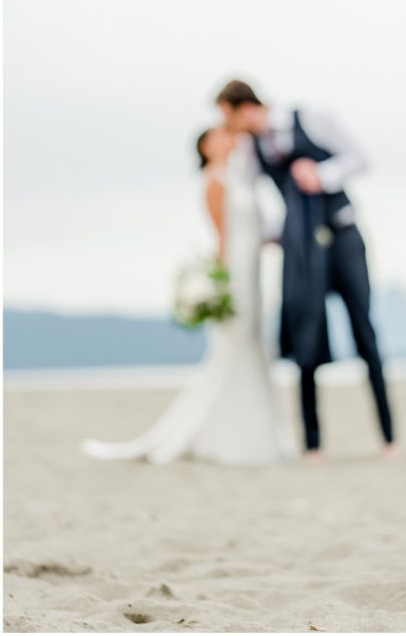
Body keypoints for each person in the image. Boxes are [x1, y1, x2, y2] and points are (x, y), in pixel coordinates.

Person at [81, 125, 294, 465]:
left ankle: (251, 434)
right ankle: (217, 438)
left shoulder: (239, 177)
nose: (230, 137)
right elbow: (222, 236)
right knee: (231, 353)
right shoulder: (213, 181)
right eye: (221, 135)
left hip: (254, 272)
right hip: (236, 274)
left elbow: (257, 228)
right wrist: (221, 282)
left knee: (252, 350)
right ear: (207, 146)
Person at [216, 80, 395, 460]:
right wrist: (271, 234)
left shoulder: (312, 118)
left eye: (228, 118)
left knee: (364, 332)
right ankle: (313, 445)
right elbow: (249, 201)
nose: (230, 128)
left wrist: (322, 174)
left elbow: (360, 158)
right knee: (305, 337)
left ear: (245, 108)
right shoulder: (254, 150)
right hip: (299, 251)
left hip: (343, 237)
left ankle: (388, 437)